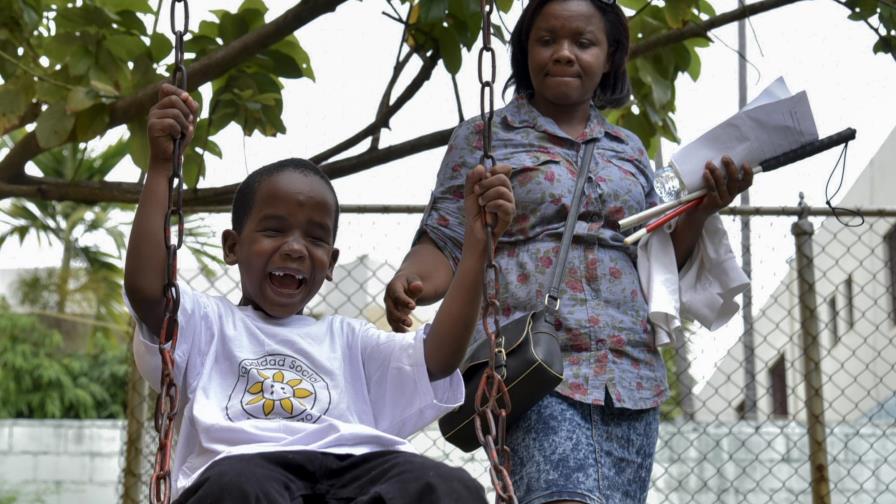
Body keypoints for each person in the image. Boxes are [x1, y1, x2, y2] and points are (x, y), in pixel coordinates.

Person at [384, 1, 754, 503]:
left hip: (629, 375)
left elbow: (655, 256)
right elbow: (448, 237)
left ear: (608, 57)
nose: (563, 54)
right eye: (546, 40)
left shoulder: (629, 150)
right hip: (532, 365)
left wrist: (704, 209)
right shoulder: (484, 137)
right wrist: (412, 282)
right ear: (525, 51)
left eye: (582, 43)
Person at [124, 83, 516, 503]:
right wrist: (163, 168)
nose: (294, 248)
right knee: (236, 487)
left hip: (354, 471)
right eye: (274, 230)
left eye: (314, 239)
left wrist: (477, 247)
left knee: (448, 487)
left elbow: (436, 359)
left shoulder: (350, 341)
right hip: (246, 466)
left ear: (330, 263)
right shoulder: (208, 324)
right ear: (232, 246)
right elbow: (149, 291)